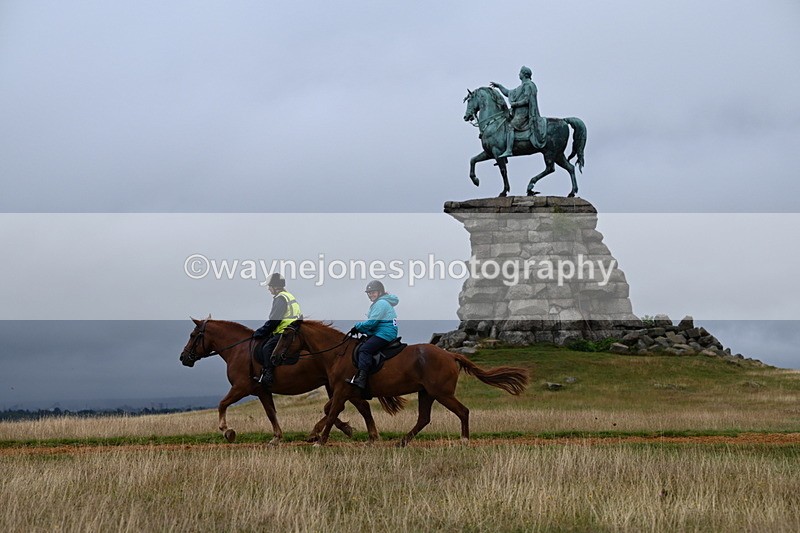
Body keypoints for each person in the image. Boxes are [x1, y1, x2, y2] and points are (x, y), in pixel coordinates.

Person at [346, 280, 399, 390]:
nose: (371, 295)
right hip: (382, 332)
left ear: (380, 292)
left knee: (365, 349)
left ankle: (361, 379)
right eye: (369, 293)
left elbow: (372, 322)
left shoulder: (381, 303)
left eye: (373, 292)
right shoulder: (381, 302)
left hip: (385, 334)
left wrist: (357, 327)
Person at [252, 273, 302, 386]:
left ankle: (268, 374)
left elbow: (275, 321)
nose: (269, 289)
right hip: (294, 328)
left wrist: (260, 332)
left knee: (266, 348)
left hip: (284, 331)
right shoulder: (289, 296)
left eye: (269, 286)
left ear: (275, 286)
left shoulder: (280, 298)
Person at [490, 65, 546, 157]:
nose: (518, 74)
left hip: (524, 114)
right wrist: (499, 86)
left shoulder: (529, 85)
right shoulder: (521, 86)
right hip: (518, 114)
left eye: (520, 72)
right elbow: (508, 93)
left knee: (510, 126)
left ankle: (509, 150)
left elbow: (527, 100)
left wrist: (516, 104)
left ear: (524, 74)